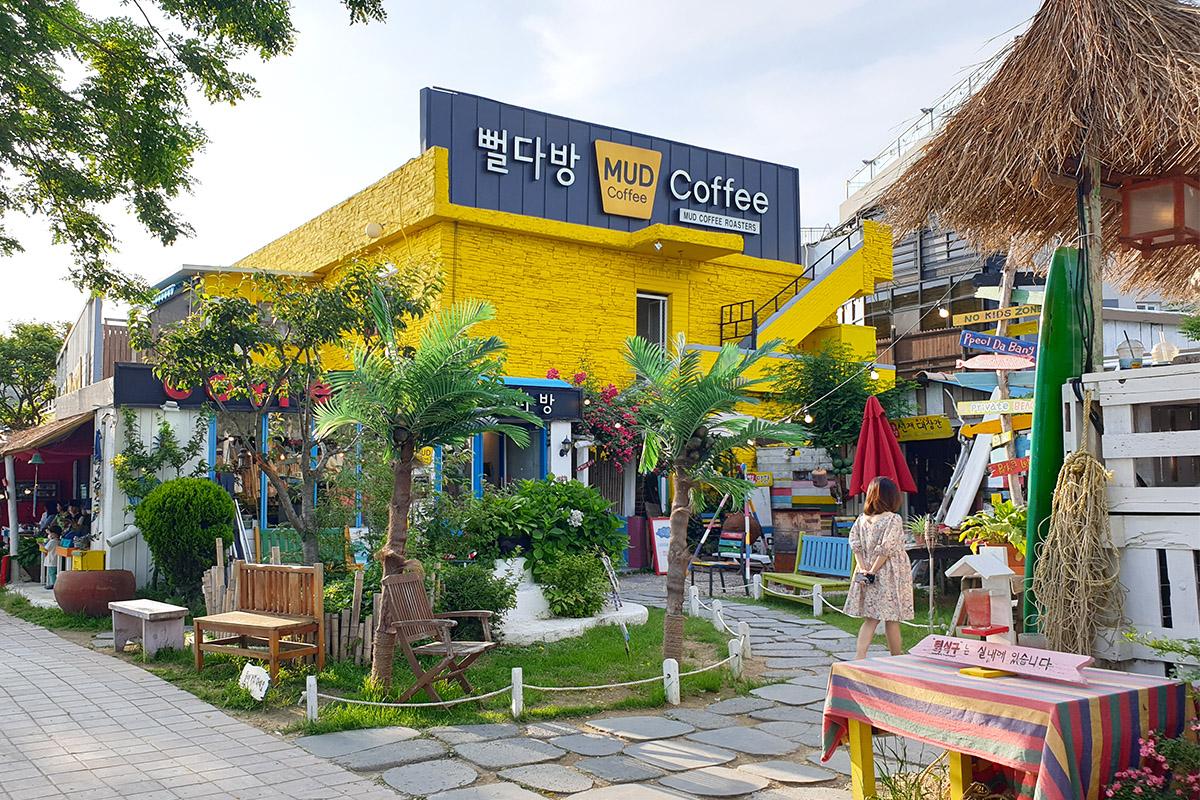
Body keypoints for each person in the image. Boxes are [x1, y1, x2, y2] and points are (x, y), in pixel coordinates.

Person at [844, 476, 914, 659]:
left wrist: (863, 569)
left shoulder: (862, 519)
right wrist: (873, 571)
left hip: (866, 570)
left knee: (871, 618)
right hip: (888, 572)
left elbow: (855, 544)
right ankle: (896, 656)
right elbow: (887, 549)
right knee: (892, 618)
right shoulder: (893, 519)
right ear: (891, 496)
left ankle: (859, 657)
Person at [42, 524, 62, 589]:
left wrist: (40, 544)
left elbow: (46, 549)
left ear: (54, 534)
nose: (49, 535)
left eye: (50, 533)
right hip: (56, 560)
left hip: (51, 560)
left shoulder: (52, 541)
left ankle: (53, 584)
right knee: (55, 573)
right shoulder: (59, 541)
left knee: (51, 573)